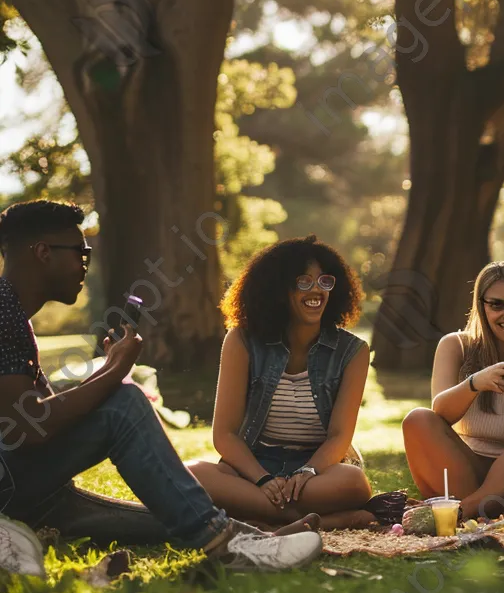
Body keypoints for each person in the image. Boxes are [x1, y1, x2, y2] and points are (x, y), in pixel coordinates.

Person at [0, 200, 321, 571]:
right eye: (80, 252)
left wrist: (109, 370)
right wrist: (116, 372)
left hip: (26, 490)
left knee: (170, 512)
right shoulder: (4, 309)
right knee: (127, 404)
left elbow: (35, 419)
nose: (85, 264)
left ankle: (250, 538)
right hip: (10, 484)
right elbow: (28, 429)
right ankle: (230, 547)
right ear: (43, 253)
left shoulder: (12, 312)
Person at [188, 237, 378, 530]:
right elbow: (225, 435)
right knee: (192, 475)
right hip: (255, 464)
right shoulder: (241, 341)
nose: (316, 290)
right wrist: (262, 479)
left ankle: (254, 519)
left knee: (353, 483)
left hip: (318, 469)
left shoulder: (353, 352)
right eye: (303, 281)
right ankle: (316, 521)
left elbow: (339, 437)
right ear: (278, 290)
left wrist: (308, 471)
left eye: (325, 281)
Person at [402, 261, 504, 520]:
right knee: (417, 419)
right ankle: (503, 508)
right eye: (497, 305)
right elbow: (441, 413)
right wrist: (477, 382)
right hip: (465, 469)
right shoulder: (454, 345)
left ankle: (463, 512)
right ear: (481, 306)